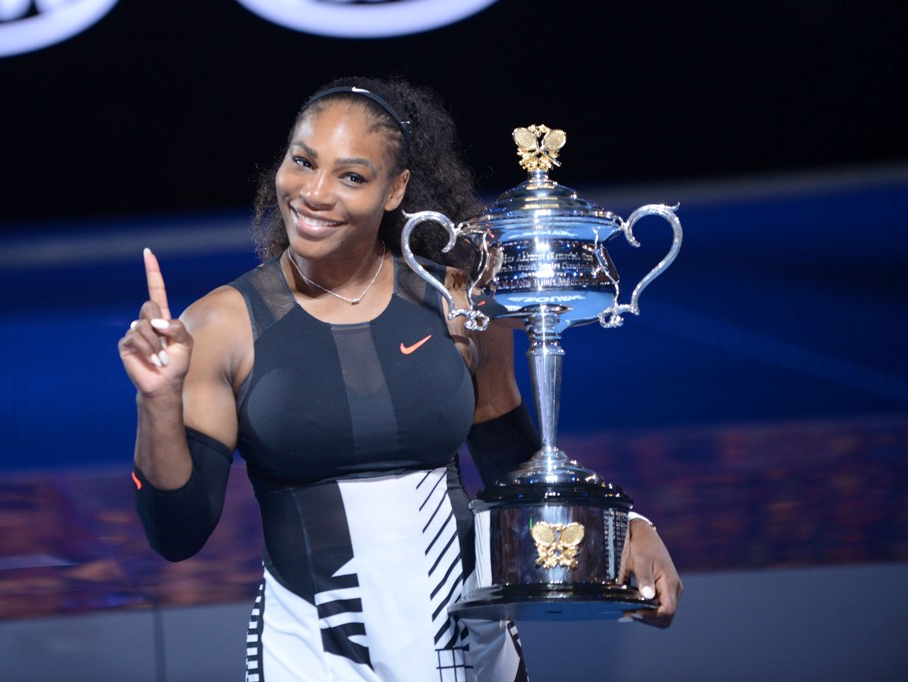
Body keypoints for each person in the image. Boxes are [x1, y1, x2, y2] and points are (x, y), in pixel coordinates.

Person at [118, 76, 682, 681]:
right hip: (313, 659)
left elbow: (512, 457)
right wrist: (158, 400)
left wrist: (626, 528)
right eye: (302, 162)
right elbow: (177, 535)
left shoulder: (457, 299)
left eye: (352, 176)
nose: (314, 193)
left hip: (472, 651)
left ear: (396, 191)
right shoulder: (220, 325)